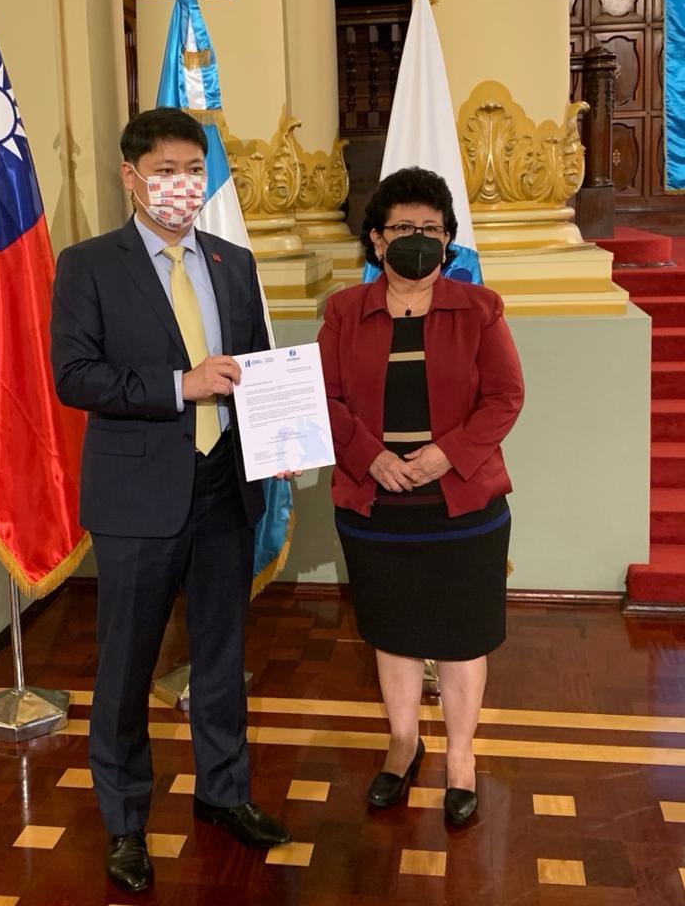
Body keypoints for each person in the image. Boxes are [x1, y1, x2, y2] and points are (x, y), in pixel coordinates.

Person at [50, 108, 290, 893]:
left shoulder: (232, 261)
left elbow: (255, 365)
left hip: (225, 487)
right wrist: (178, 386)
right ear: (132, 177)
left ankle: (224, 793)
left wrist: (279, 438)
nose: (182, 185)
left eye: (193, 170)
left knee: (220, 657)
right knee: (126, 669)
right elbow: (75, 376)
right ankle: (125, 822)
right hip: (137, 498)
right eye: (165, 171)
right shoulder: (88, 265)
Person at [317, 167, 524, 827]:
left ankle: (461, 757)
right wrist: (371, 457)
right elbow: (325, 398)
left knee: (463, 637)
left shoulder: (480, 308)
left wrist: (445, 454)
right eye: (403, 227)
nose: (417, 239)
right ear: (377, 240)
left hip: (461, 504)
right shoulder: (344, 311)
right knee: (395, 633)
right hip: (375, 504)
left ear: (448, 240)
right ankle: (403, 743)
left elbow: (505, 398)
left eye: (431, 229)